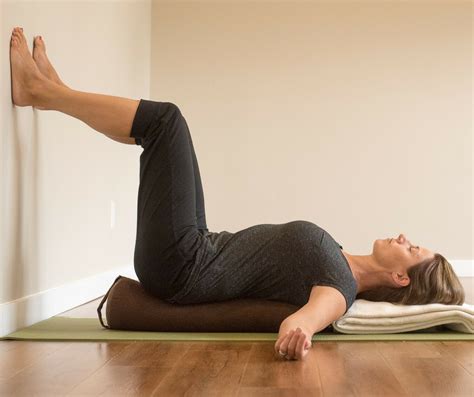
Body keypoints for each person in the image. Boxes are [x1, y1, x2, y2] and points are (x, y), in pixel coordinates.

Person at [9, 27, 465, 361]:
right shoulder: (340, 262)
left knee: (166, 123)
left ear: (402, 279)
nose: (405, 236)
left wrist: (300, 333)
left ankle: (45, 93)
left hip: (182, 264)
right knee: (166, 128)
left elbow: (303, 321)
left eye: (414, 248)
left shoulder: (340, 288)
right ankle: (53, 91)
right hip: (198, 247)